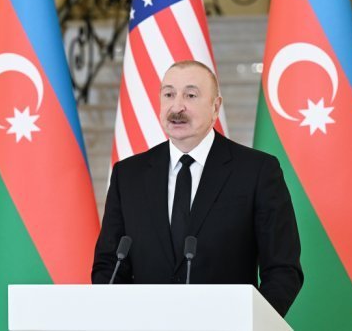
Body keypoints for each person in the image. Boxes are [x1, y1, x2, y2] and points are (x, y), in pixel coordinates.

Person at [92, 60, 303, 317]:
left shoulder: (257, 171)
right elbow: (109, 265)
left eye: (190, 95)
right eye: (169, 94)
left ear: (215, 107)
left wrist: (251, 323)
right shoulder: (128, 175)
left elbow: (283, 270)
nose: (177, 106)